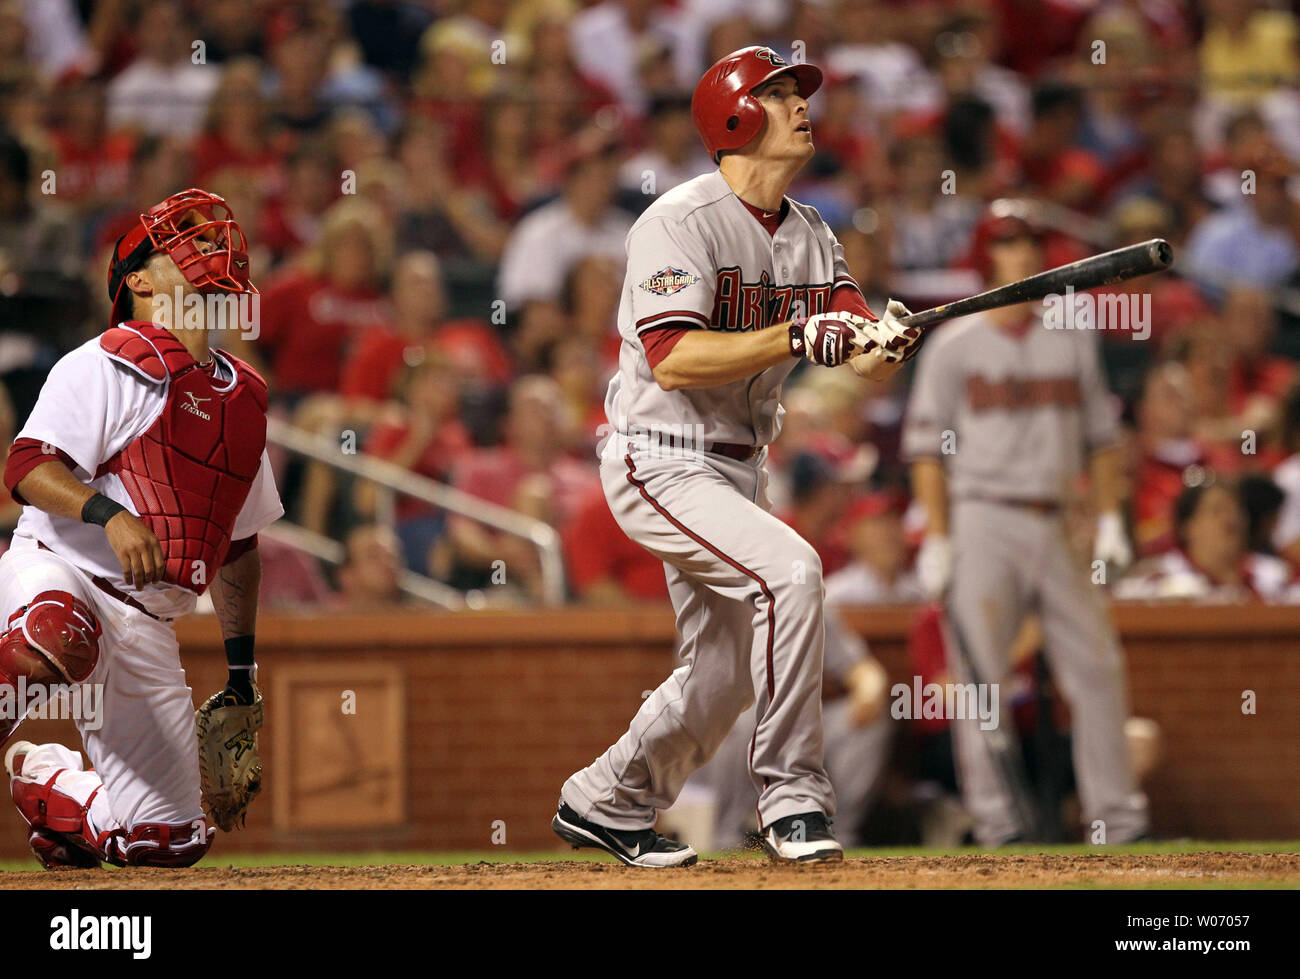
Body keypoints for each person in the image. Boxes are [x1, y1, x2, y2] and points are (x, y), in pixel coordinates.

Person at [550, 46, 922, 868]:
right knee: (793, 573)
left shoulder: (814, 231)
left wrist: (879, 345)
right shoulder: (677, 219)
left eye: (799, 94)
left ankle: (606, 799)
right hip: (661, 451)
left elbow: (852, 346)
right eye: (780, 93)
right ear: (735, 116)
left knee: (721, 674)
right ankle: (791, 797)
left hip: (740, 465)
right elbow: (676, 356)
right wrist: (795, 333)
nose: (800, 106)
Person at [0, 188, 282, 868]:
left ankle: (50, 782)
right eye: (179, 245)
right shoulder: (100, 361)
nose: (208, 246)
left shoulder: (242, 398)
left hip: (148, 622)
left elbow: (240, 550)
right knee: (53, 636)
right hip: (61, 571)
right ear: (139, 282)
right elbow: (26, 464)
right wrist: (110, 513)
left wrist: (241, 673)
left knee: (166, 844)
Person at [902, 207, 1149, 847]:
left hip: (1058, 518)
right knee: (981, 678)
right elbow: (926, 449)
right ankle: (998, 826)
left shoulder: (1070, 337)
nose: (1023, 253)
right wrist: (938, 534)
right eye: (1009, 243)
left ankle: (1115, 822)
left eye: (1030, 242)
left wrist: (1112, 518)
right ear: (988, 255)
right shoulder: (955, 343)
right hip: (983, 514)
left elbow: (1101, 440)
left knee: (1097, 668)